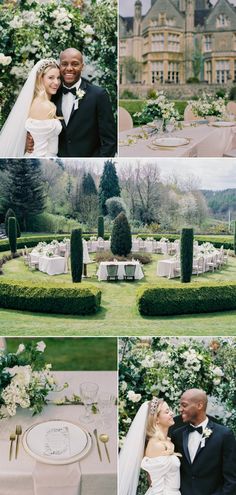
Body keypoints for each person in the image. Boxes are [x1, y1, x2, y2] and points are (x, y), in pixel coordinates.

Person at [53, 47, 117, 157]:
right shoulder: (52, 94)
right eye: (64, 64)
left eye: (75, 64)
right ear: (59, 66)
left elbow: (109, 141)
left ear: (82, 66)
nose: (69, 68)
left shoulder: (98, 95)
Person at [171, 388, 236, 495]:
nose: (180, 409)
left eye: (184, 405)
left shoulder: (224, 435)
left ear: (200, 406)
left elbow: (232, 479)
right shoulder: (177, 434)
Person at [0, 59, 62, 157]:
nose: (56, 82)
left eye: (58, 78)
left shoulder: (35, 102)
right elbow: (40, 151)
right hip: (41, 161)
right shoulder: (44, 106)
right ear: (40, 79)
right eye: (51, 77)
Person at [119, 397, 181, 495]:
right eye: (167, 412)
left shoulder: (166, 441)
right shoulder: (157, 446)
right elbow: (157, 487)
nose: (172, 413)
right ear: (156, 420)